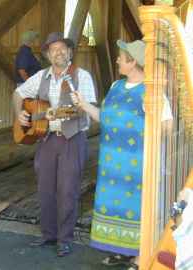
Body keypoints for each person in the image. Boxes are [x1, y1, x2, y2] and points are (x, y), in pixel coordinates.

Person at [71, 40, 172, 269]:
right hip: (111, 165)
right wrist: (84, 104)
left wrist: (151, 123)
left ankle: (140, 255)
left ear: (133, 61)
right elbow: (104, 118)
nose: (116, 60)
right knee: (115, 206)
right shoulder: (116, 86)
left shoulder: (152, 90)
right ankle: (121, 251)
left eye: (120, 57)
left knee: (137, 209)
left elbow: (167, 125)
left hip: (137, 165)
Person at [13, 32, 97, 257]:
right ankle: (48, 234)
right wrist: (20, 113)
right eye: (54, 50)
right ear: (48, 55)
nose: (59, 52)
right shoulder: (41, 76)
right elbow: (18, 92)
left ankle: (65, 239)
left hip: (72, 139)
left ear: (69, 52)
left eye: (63, 49)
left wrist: (57, 113)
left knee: (68, 190)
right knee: (45, 189)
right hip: (47, 139)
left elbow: (85, 107)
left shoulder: (82, 76)